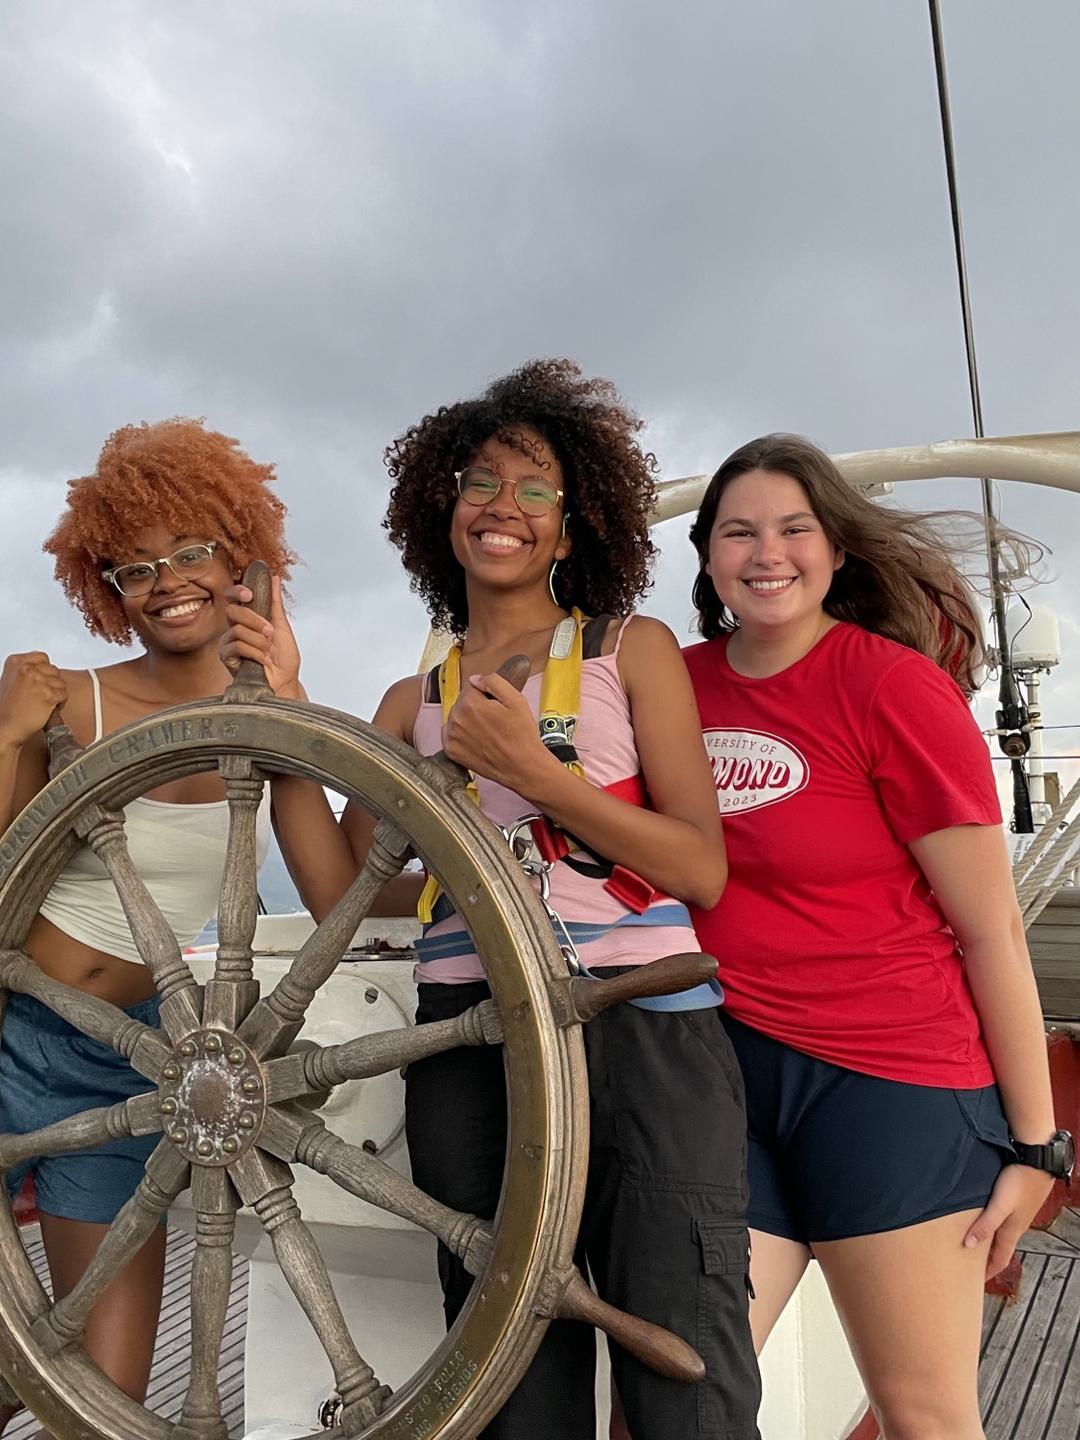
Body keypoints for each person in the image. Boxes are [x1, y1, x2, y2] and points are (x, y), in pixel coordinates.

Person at [223, 359, 762, 1439]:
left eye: (532, 488)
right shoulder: (408, 701)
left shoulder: (631, 651)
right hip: (469, 1050)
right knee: (505, 1362)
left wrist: (543, 772)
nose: (500, 507)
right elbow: (346, 895)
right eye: (477, 483)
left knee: (686, 1347)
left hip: (643, 1030)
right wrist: (278, 718)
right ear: (444, 512)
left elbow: (698, 869)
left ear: (573, 528)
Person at [683, 433, 1064, 1440]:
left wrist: (1037, 1147)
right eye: (740, 532)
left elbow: (990, 933)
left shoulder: (893, 689)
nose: (769, 554)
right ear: (709, 556)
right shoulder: (668, 689)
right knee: (675, 1402)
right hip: (724, 1083)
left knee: (923, 1416)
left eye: (794, 529)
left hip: (890, 1088)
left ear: (836, 550)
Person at [0, 418, 293, 1437]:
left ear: (241, 555)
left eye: (191, 551)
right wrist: (5, 732)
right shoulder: (64, 700)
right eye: (133, 566)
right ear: (104, 585)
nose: (165, 581)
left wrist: (290, 701)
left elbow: (352, 885)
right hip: (8, 1034)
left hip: (129, 1064)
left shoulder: (278, 718)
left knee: (105, 1399)